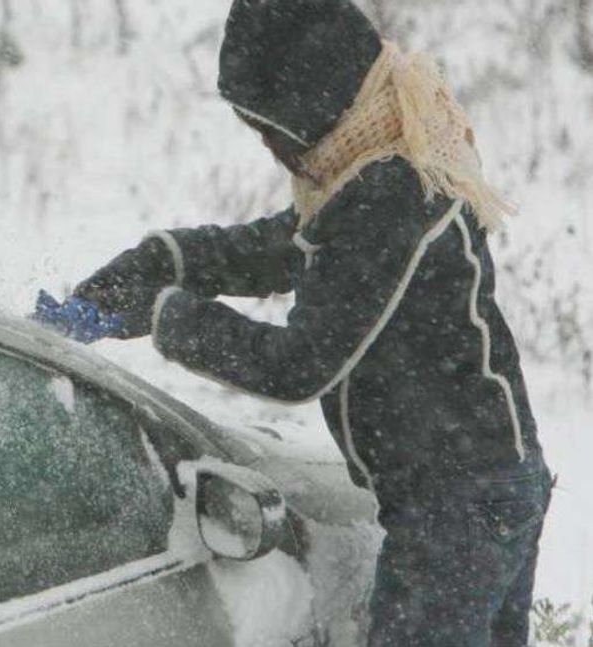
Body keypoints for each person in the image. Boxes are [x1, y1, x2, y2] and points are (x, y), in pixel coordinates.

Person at [33, 1, 553, 645]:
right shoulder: (380, 164)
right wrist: (165, 259)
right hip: (480, 488)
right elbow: (291, 249)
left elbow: (294, 366)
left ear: (315, 106)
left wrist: (164, 314)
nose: (270, 148)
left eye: (269, 130)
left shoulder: (387, 199)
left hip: (459, 506)